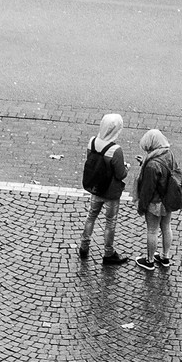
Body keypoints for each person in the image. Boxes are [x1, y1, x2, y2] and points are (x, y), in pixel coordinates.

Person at [78, 113, 129, 265]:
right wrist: (126, 168)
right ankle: (108, 253)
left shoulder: (92, 142)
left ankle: (84, 246)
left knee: (91, 216)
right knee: (110, 221)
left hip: (96, 186)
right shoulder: (116, 150)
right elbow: (121, 174)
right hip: (111, 191)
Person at [133, 129, 177, 271]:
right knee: (166, 227)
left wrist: (141, 207)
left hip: (155, 203)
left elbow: (148, 190)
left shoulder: (152, 165)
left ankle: (150, 260)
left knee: (152, 231)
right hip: (168, 200)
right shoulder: (168, 153)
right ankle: (165, 257)